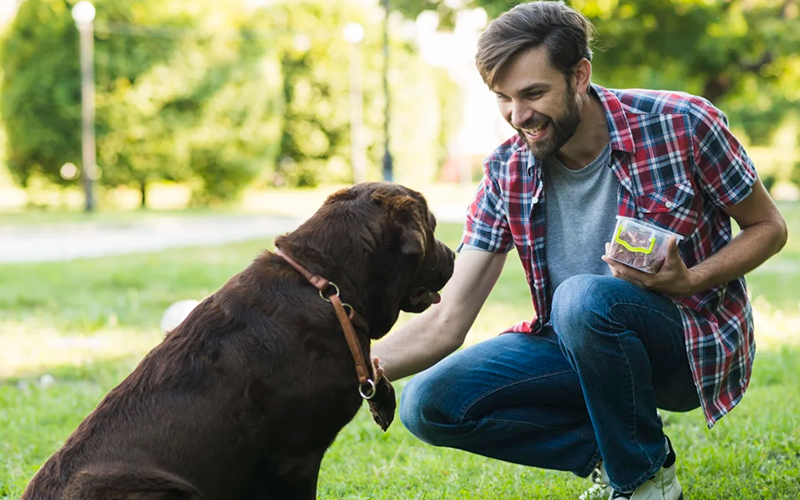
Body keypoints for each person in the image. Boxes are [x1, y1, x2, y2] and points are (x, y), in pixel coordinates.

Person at [370, 1, 788, 499]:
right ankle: (618, 457)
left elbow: (769, 227)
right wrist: (350, 368)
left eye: (533, 93)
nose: (517, 116)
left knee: (581, 298)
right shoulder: (507, 170)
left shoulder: (683, 123)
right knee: (429, 402)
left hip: (685, 341)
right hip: (576, 343)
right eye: (503, 98)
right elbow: (448, 319)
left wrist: (691, 279)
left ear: (580, 75)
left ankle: (646, 484)